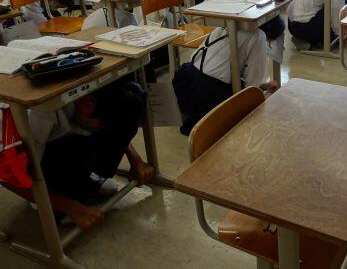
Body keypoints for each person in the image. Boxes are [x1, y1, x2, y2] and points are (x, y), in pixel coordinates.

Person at [7, 79, 154, 232]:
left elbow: (118, 122)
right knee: (75, 146)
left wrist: (135, 160)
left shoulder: (102, 87)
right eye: (101, 125)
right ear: (88, 105)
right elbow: (8, 177)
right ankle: (55, 201)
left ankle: (84, 183)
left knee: (106, 130)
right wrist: (72, 208)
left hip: (65, 126)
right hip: (30, 155)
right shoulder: (37, 115)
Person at [173, 16, 285, 136]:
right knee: (249, 113)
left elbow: (216, 70)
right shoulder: (259, 36)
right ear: (269, 36)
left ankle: (195, 119)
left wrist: (263, 86)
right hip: (209, 93)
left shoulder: (228, 24)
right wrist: (259, 91)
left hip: (185, 81)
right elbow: (251, 86)